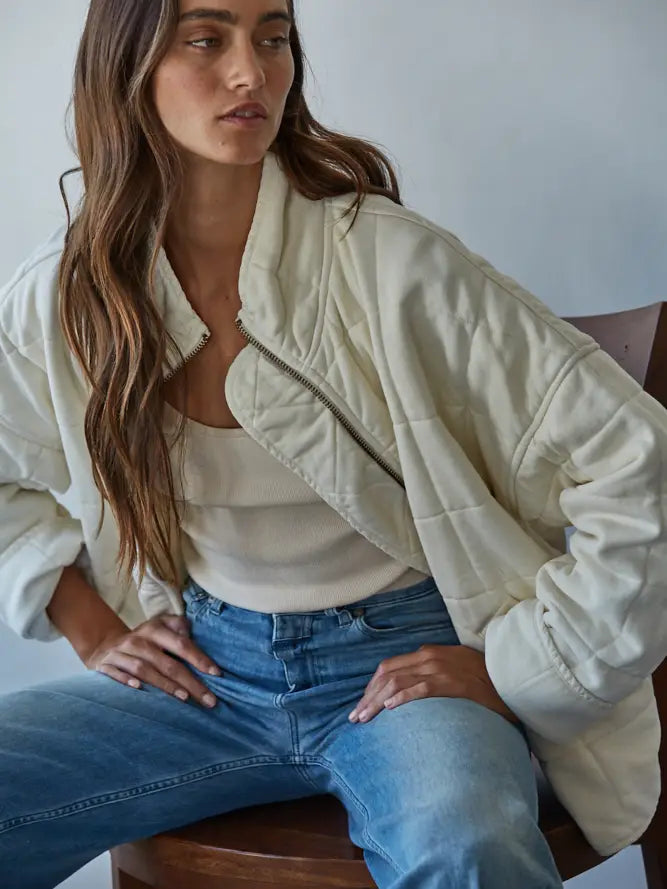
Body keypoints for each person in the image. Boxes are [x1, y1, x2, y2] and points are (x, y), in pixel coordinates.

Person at [0, 1, 665, 887]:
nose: (252, 71)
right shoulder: (69, 291)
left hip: (403, 668)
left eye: (272, 38)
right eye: (206, 40)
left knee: (465, 849)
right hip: (206, 672)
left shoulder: (388, 261)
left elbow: (638, 463)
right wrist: (90, 626)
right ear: (127, 67)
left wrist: (520, 668)